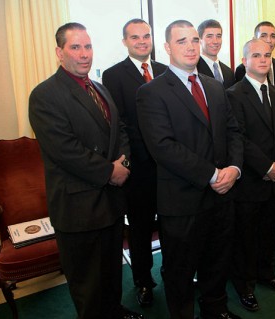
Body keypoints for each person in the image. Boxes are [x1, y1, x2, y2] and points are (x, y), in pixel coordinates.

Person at [29, 23, 142, 319]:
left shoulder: (100, 88)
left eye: (88, 47)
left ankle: (115, 311)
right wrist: (109, 172)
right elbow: (65, 151)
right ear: (59, 52)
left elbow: (122, 135)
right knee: (88, 288)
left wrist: (124, 165)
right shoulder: (44, 95)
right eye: (75, 47)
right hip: (79, 208)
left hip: (112, 204)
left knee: (112, 276)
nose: (84, 54)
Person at [136, 20, 243, 319]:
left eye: (194, 39)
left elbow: (233, 131)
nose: (191, 46)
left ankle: (216, 310)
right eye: (182, 41)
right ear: (168, 48)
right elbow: (163, 147)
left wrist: (234, 168)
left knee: (217, 261)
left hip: (222, 195)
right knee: (180, 271)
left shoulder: (214, 86)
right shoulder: (151, 92)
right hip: (182, 200)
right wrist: (212, 175)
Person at [227, 39, 275, 312]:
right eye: (256, 55)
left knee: (268, 234)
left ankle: (267, 274)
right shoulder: (234, 94)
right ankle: (244, 286)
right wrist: (266, 167)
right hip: (250, 182)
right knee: (245, 238)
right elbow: (239, 139)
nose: (263, 60)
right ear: (245, 61)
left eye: (267, 55)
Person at [102, 18, 167, 307]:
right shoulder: (114, 75)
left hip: (171, 169)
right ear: (125, 41)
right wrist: (136, 158)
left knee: (171, 225)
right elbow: (120, 124)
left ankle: (173, 272)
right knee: (140, 230)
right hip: (139, 170)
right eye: (135, 37)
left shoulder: (166, 71)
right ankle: (143, 282)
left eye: (146, 36)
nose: (142, 41)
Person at [235, 21, 275, 94]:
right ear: (254, 39)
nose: (269, 40)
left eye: (273, 36)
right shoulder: (243, 69)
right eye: (263, 36)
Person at [197, 19, 235, 89]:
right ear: (200, 40)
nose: (215, 41)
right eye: (209, 36)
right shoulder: (194, 69)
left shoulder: (229, 72)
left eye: (218, 36)